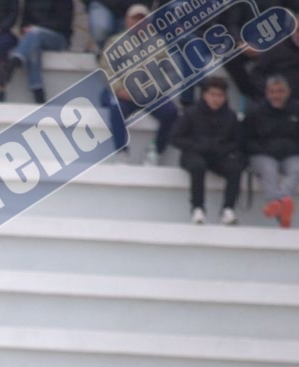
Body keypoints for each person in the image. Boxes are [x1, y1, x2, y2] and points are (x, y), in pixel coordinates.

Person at [100, 3, 177, 164]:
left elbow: (171, 72)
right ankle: (122, 152)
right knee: (116, 108)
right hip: (124, 94)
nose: (138, 23)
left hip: (150, 95)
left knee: (171, 112)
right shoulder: (114, 42)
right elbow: (106, 69)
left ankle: (155, 151)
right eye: (134, 19)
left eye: (142, 20)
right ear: (127, 21)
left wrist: (154, 90)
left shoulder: (158, 43)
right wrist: (119, 89)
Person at [245, 74, 299, 226]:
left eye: (280, 91)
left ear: (288, 92)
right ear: (266, 93)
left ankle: (277, 202)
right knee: (268, 169)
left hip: (292, 154)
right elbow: (245, 139)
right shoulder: (255, 111)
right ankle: (281, 209)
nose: (276, 95)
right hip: (263, 155)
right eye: (272, 92)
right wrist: (262, 149)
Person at [171, 77, 245, 224]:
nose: (216, 99)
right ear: (204, 95)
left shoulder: (230, 116)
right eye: (212, 94)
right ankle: (197, 208)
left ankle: (228, 209)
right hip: (193, 153)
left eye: (220, 95)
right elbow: (175, 138)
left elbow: (238, 141)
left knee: (235, 168)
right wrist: (198, 145)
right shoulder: (191, 113)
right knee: (198, 166)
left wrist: (223, 148)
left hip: (219, 156)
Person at [9, 0, 73, 101]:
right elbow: (24, 22)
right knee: (33, 44)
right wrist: (25, 28)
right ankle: (38, 91)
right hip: (34, 37)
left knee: (34, 34)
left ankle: (16, 59)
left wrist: (38, 27)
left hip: (58, 38)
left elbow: (63, 23)